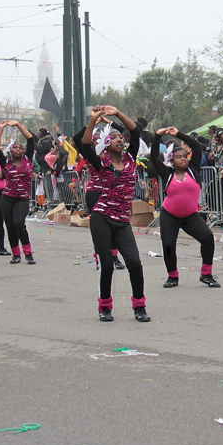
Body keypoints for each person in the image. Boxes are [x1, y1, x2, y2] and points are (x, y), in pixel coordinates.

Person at [80, 105, 149, 323]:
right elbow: (83, 144)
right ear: (105, 145)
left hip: (122, 221)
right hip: (101, 217)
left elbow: (136, 132)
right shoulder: (99, 163)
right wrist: (93, 120)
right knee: (107, 264)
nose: (120, 139)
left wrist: (118, 113)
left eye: (121, 137)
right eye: (114, 137)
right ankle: (105, 307)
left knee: (134, 263)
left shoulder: (130, 159)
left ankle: (139, 306)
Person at [151, 127, 220, 289]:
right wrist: (158, 135)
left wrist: (178, 134)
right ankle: (172, 276)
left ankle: (206, 274)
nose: (183, 159)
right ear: (171, 160)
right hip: (170, 215)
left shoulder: (193, 169)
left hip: (190, 216)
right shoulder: (167, 173)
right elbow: (154, 156)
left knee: (207, 238)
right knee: (168, 245)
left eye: (184, 156)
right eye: (178, 157)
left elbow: (196, 147)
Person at [72, 117, 126, 271]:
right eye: (94, 139)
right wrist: (91, 124)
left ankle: (114, 256)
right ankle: (99, 257)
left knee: (115, 225)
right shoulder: (91, 153)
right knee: (99, 229)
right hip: (95, 194)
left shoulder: (116, 151)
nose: (97, 141)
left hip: (113, 194)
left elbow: (122, 132)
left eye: (100, 138)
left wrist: (107, 121)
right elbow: (77, 138)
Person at [0, 120, 36, 265]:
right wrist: (1, 129)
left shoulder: (28, 160)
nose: (18, 149)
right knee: (10, 226)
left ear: (23, 150)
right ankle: (15, 254)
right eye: (15, 148)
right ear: (11, 150)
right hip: (7, 198)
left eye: (20, 148)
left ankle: (28, 253)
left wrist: (17, 124)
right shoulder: (6, 163)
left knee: (19, 223)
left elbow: (30, 139)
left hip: (22, 199)